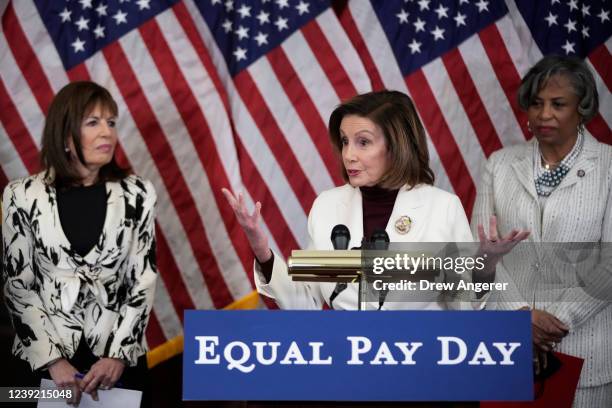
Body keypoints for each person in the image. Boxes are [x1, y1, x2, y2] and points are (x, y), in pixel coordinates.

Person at [223, 90, 526, 311]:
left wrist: (484, 267)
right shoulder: (327, 207)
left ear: (396, 145)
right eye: (344, 141)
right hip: (348, 371)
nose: (349, 155)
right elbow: (307, 304)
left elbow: (465, 307)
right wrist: (263, 252)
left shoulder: (442, 207)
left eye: (363, 142)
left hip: (420, 372)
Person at [2, 81, 157, 406]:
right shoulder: (21, 195)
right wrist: (53, 362)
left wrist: (117, 355)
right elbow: (18, 286)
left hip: (120, 368)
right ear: (66, 134)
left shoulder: (138, 194)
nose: (107, 132)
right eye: (93, 122)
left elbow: (142, 280)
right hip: (38, 368)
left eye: (111, 122)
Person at [471, 55, 612, 407]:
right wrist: (519, 317)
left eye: (558, 104)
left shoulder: (608, 167)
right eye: (536, 103)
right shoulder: (499, 164)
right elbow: (480, 253)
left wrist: (552, 322)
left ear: (583, 108)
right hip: (505, 345)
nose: (544, 114)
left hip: (583, 352)